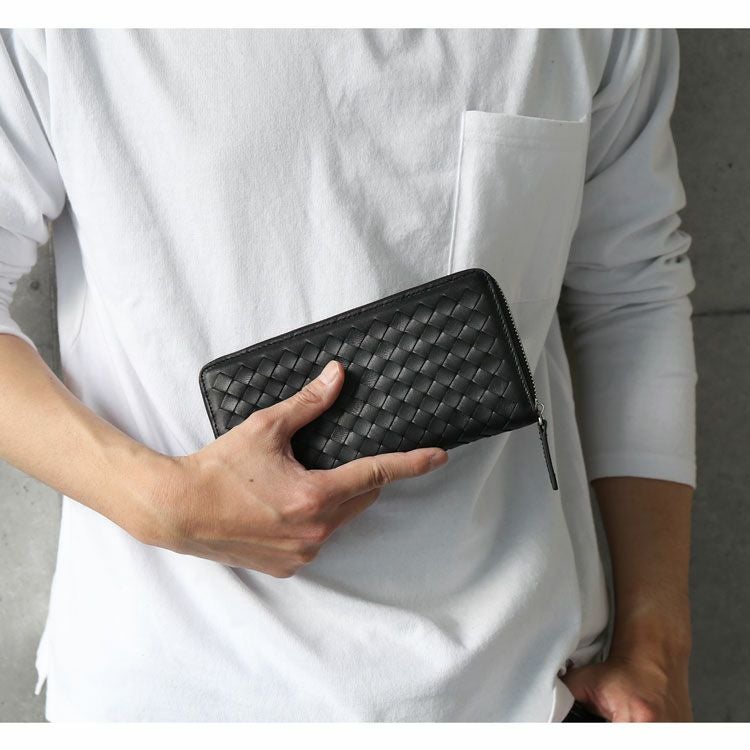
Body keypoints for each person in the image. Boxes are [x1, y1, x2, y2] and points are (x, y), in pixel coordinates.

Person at [0, 29, 696, 722]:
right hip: (171, 691)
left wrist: (657, 647)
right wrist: (159, 503)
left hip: (517, 690)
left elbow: (631, 292)